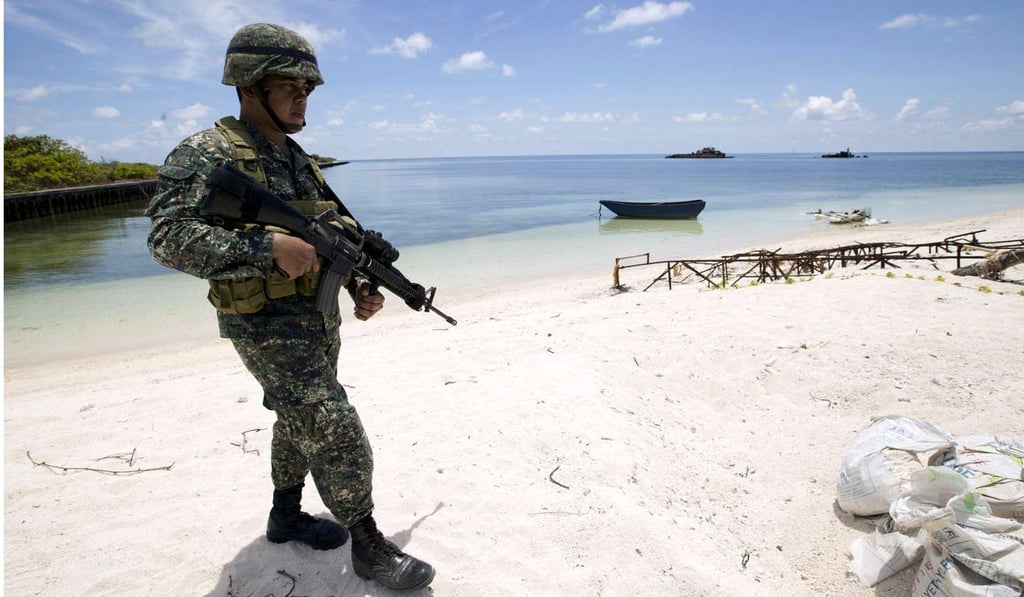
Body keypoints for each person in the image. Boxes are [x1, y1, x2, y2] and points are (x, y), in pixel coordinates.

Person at [145, 23, 434, 592]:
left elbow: (330, 240)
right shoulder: (207, 152)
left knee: (296, 419)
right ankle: (368, 542)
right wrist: (266, 246)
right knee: (331, 423)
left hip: (316, 320)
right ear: (250, 87)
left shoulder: (300, 160)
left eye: (309, 88)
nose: (303, 97)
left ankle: (286, 515)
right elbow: (166, 238)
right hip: (263, 321)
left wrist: (358, 289)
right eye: (291, 86)